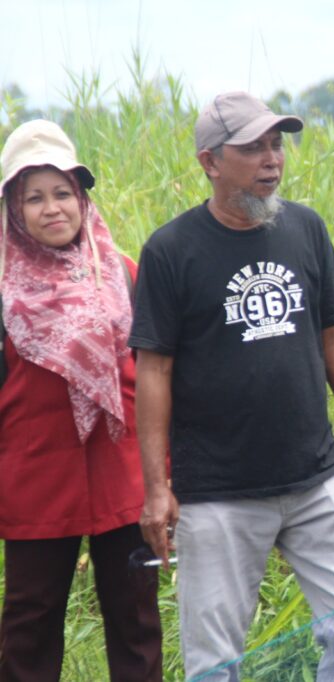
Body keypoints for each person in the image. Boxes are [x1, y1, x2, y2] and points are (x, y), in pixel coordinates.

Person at [129, 91, 334, 681]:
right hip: (218, 492)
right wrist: (156, 486)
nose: (271, 158)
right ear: (210, 162)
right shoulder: (171, 251)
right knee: (214, 662)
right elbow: (154, 371)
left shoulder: (304, 228)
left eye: (276, 144)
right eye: (251, 147)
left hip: (316, 478)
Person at [0, 120, 162, 681]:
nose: (52, 208)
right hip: (34, 484)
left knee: (136, 619)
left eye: (63, 192)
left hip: (123, 479)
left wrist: (165, 477)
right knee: (29, 627)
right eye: (34, 197)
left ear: (82, 198)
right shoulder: (2, 290)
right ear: (12, 211)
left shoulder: (123, 274)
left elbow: (158, 381)